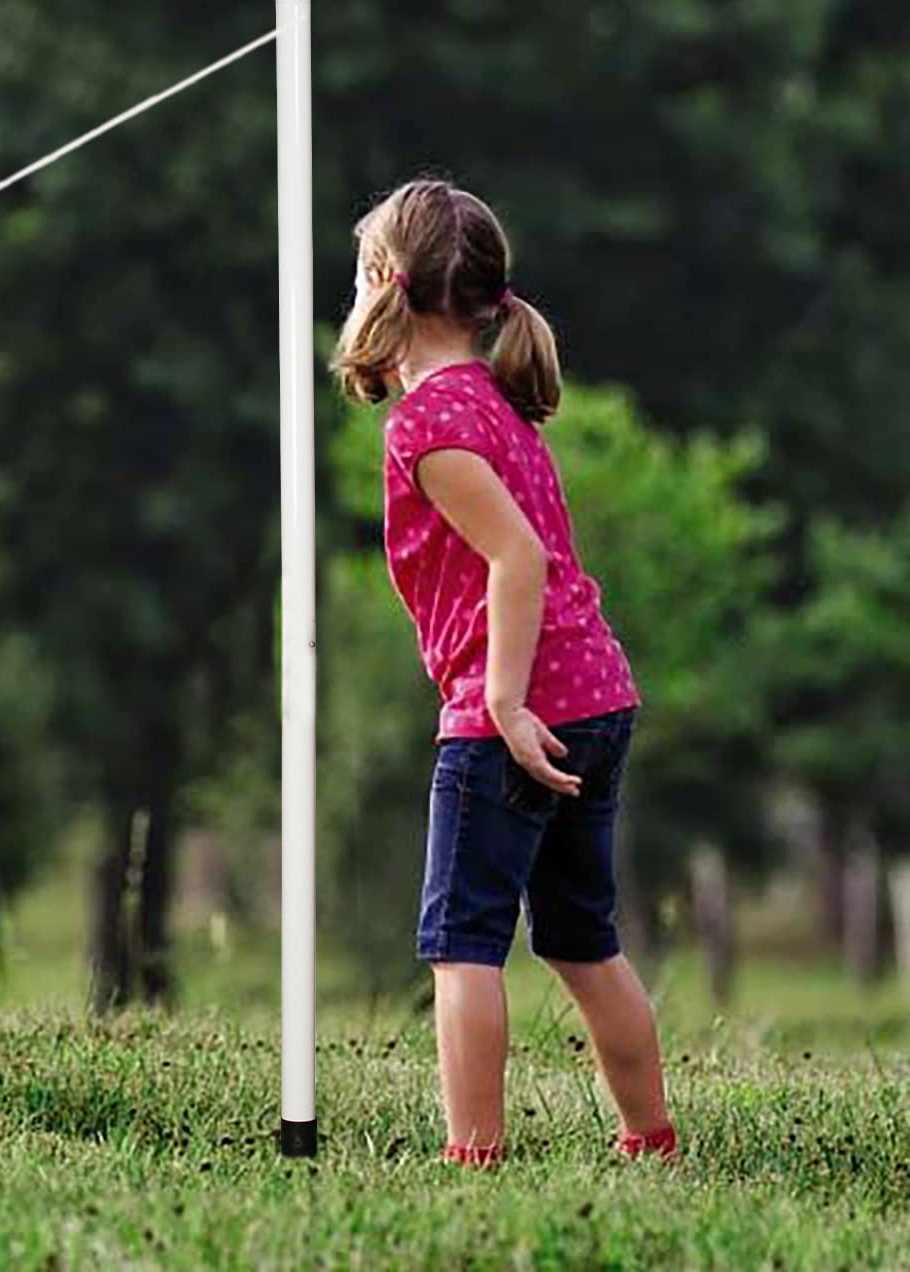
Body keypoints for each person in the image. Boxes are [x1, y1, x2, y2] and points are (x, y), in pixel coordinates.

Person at [332, 177, 676, 1166]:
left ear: (384, 283)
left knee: (461, 944)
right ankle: (650, 1140)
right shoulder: (494, 402)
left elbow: (515, 557)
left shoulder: (426, 425)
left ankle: (472, 1158)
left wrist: (503, 703)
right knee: (581, 938)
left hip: (515, 717)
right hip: (596, 694)